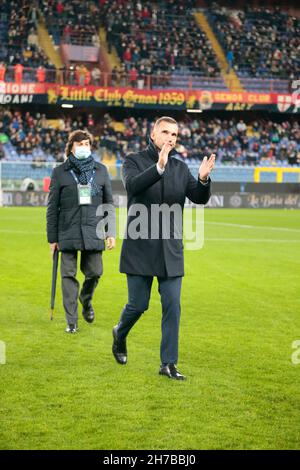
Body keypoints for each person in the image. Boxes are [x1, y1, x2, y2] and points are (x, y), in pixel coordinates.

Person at [112, 116, 215, 380]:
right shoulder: (133, 161)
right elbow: (132, 186)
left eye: (175, 135)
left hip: (170, 249)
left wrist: (203, 180)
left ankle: (168, 364)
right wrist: (158, 167)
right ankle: (119, 333)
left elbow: (199, 198)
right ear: (154, 134)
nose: (171, 138)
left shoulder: (181, 168)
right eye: (166, 132)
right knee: (138, 305)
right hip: (140, 247)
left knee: (172, 305)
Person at [47, 130, 116, 333]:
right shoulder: (60, 172)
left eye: (86, 143)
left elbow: (108, 203)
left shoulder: (101, 171)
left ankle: (86, 300)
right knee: (68, 275)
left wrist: (110, 231)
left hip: (93, 231)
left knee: (95, 272)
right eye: (79, 144)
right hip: (66, 230)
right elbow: (52, 208)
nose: (83, 147)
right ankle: (72, 321)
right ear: (71, 147)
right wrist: (52, 238)